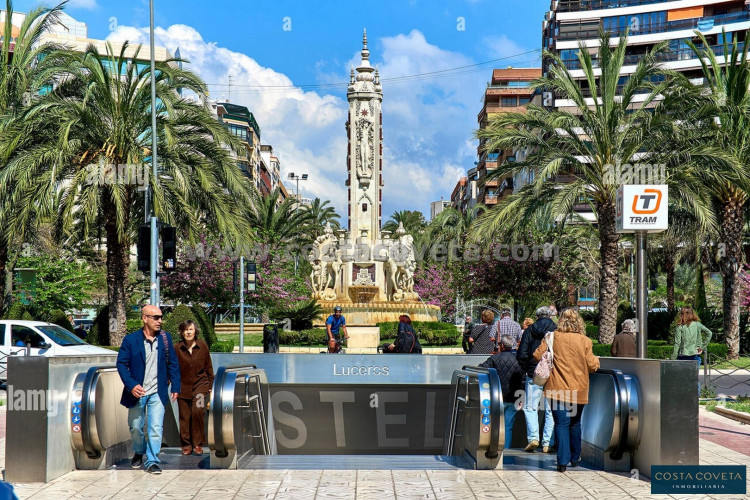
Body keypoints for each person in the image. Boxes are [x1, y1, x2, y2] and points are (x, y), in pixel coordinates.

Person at [116, 305, 181, 474]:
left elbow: (173, 363)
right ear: (145, 318)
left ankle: (152, 461)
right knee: (136, 427)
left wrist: (175, 385)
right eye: (156, 317)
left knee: (155, 427)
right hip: (137, 392)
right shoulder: (130, 340)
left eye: (161, 317)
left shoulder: (165, 339)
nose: (160, 321)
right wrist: (131, 385)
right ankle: (139, 450)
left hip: (157, 392)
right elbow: (122, 364)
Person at [534, 308, 600, 472]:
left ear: (560, 321)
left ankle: (562, 462)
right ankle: (575, 457)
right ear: (579, 322)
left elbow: (536, 355)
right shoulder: (585, 341)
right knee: (575, 423)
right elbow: (592, 365)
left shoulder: (552, 337)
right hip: (579, 388)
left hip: (557, 388)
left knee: (561, 423)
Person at [517, 306, 557, 453]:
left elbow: (522, 353)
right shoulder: (557, 331)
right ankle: (547, 442)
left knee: (530, 407)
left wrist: (527, 367)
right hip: (553, 374)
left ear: (537, 316)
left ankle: (533, 438)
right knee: (551, 409)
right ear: (550, 316)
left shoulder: (529, 330)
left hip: (534, 373)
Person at [174, 320, 215, 456]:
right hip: (182, 387)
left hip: (200, 386)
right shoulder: (177, 348)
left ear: (195, 331)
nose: (188, 332)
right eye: (185, 330)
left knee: (197, 411)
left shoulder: (202, 345)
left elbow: (208, 366)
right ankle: (186, 445)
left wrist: (211, 385)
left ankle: (197, 444)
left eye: (190, 329)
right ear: (181, 332)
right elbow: (172, 368)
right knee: (184, 416)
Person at [479, 335, 525, 447]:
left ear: (502, 345)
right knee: (508, 426)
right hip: (514, 397)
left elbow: (480, 368)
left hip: (497, 397)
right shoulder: (519, 360)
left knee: (495, 425)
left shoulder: (494, 359)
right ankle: (506, 449)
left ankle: (495, 448)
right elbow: (523, 379)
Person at [672, 307, 712, 394]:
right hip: (695, 355)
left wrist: (673, 358)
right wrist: (702, 346)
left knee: (681, 379)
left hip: (682, 357)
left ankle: (684, 398)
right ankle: (696, 398)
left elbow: (677, 344)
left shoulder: (680, 327)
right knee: (694, 379)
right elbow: (709, 333)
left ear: (682, 315)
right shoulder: (698, 325)